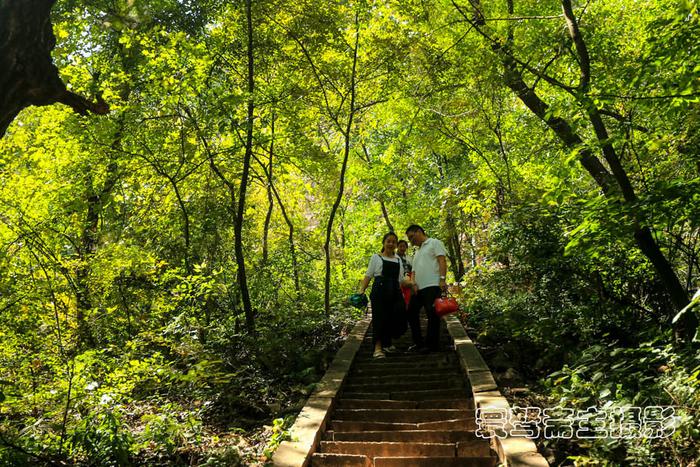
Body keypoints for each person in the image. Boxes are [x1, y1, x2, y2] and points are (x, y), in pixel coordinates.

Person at [358, 232, 409, 358]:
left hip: (395, 290)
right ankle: (378, 347)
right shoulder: (376, 257)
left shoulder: (398, 259)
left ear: (396, 245)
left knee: (398, 314)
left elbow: (401, 279)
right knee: (380, 318)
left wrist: (412, 284)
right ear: (384, 243)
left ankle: (387, 342)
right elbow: (368, 275)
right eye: (388, 241)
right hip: (379, 290)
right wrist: (361, 291)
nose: (391, 244)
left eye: (393, 242)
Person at [405, 224, 448, 352]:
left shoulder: (434, 242)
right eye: (409, 239)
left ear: (419, 232)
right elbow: (413, 271)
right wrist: (413, 284)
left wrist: (442, 279)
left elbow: (442, 261)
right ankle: (418, 343)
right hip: (419, 289)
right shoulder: (417, 252)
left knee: (432, 314)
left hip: (433, 285)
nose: (411, 241)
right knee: (411, 312)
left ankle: (432, 345)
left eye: (412, 237)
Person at [396, 240, 414, 310]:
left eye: (404, 246)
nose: (402, 248)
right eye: (400, 246)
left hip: (408, 281)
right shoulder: (394, 257)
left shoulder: (409, 258)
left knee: (408, 299)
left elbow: (413, 269)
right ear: (397, 247)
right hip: (398, 280)